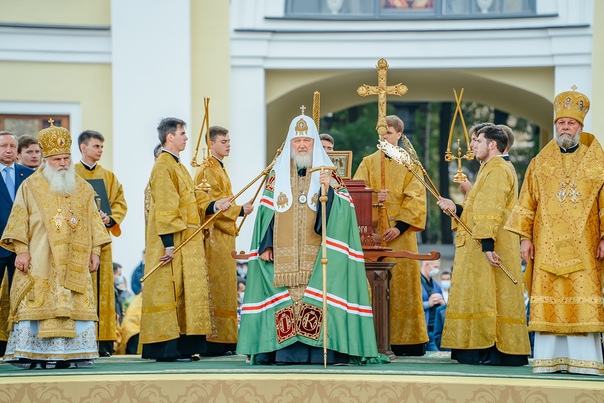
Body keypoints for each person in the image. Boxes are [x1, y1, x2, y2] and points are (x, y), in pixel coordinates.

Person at [237, 111, 380, 365]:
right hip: (284, 257)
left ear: (314, 142)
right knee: (288, 301)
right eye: (296, 141)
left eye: (306, 141)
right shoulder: (278, 174)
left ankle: (320, 352)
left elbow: (346, 213)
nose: (301, 145)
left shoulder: (328, 172)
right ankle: (284, 353)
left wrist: (329, 191)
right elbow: (267, 212)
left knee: (316, 299)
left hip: (318, 256)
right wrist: (266, 244)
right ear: (290, 144)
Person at [505, 87, 604, 375]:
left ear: (580, 127)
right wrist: (524, 239)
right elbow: (527, 203)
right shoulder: (539, 163)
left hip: (585, 246)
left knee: (581, 297)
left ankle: (586, 362)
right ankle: (549, 361)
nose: (565, 127)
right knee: (549, 299)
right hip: (545, 245)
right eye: (561, 123)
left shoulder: (598, 163)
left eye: (571, 123)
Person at [0, 121, 111, 369]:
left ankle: (73, 353)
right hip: (40, 258)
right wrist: (22, 251)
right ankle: (33, 354)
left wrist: (95, 252)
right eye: (57, 159)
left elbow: (95, 223)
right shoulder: (30, 186)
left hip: (75, 259)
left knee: (73, 303)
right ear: (46, 160)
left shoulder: (82, 187)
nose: (62, 163)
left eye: (66, 158)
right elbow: (18, 220)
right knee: (39, 302)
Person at [437, 125, 531, 366]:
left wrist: (488, 246)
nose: (472, 145)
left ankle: (493, 350)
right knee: (483, 294)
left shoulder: (498, 169)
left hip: (490, 243)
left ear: (492, 144)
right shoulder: (489, 168)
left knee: (491, 294)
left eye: (477, 140)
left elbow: (491, 208)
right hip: (483, 242)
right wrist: (455, 208)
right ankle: (479, 348)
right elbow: (476, 209)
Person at [353, 114, 428, 356]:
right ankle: (375, 339)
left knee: (403, 284)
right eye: (381, 132)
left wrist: (400, 226)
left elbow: (417, 197)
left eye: (389, 132)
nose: (384, 136)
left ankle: (408, 341)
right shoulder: (367, 162)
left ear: (398, 135)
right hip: (373, 234)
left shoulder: (410, 164)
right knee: (372, 284)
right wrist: (374, 196)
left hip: (400, 233)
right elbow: (354, 192)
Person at [140, 117, 213, 362]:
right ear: (170, 136)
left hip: (187, 241)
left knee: (184, 293)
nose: (185, 137)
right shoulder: (163, 165)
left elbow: (193, 198)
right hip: (173, 242)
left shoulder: (179, 166)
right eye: (182, 133)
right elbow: (166, 207)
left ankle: (183, 346)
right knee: (171, 292)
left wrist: (216, 204)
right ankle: (167, 349)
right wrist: (169, 244)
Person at [194, 125, 253, 355]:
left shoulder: (220, 168)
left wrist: (239, 210)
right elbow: (207, 203)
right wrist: (239, 211)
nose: (228, 144)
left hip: (224, 238)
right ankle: (214, 340)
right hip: (213, 237)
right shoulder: (206, 169)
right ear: (211, 144)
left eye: (229, 141)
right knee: (217, 286)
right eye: (223, 141)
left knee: (227, 286)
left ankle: (228, 339)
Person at [75, 129, 128, 357]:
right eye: (96, 146)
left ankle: (103, 341)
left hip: (103, 243)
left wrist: (110, 218)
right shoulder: (70, 173)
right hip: (77, 241)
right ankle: (80, 339)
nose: (100, 150)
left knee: (104, 289)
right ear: (83, 147)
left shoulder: (109, 176)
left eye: (102, 147)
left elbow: (119, 203)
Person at [0, 131, 34, 355]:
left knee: (21, 296)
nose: (9, 150)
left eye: (13, 146)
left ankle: (19, 344)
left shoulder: (29, 175)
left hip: (22, 247)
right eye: (4, 146)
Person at [420, 259, 445, 351]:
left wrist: (442, 303)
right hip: (421, 330)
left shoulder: (436, 285)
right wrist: (429, 304)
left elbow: (444, 308)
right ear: (426, 264)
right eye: (435, 267)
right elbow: (410, 307)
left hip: (434, 329)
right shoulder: (416, 283)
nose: (437, 270)